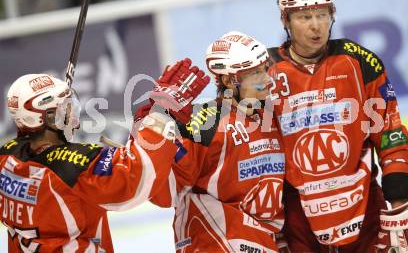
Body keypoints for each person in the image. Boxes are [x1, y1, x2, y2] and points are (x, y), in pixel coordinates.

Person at [268, 0, 408, 252]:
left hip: (364, 209)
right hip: (297, 218)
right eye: (304, 17)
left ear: (332, 16)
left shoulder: (360, 61)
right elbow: (252, 149)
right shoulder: (264, 72)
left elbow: (389, 131)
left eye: (322, 15)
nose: (316, 26)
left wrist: (400, 203)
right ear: (285, 21)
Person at [0, 65, 209, 252]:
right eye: (66, 107)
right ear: (50, 119)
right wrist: (162, 113)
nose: (73, 113)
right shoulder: (71, 168)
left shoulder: (6, 158)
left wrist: (145, 121)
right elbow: (136, 176)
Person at [137, 31, 286, 252]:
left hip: (264, 240)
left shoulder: (273, 115)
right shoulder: (205, 122)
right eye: (255, 73)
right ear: (229, 79)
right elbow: (162, 191)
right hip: (214, 241)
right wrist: (151, 120)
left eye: (265, 69)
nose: (267, 79)